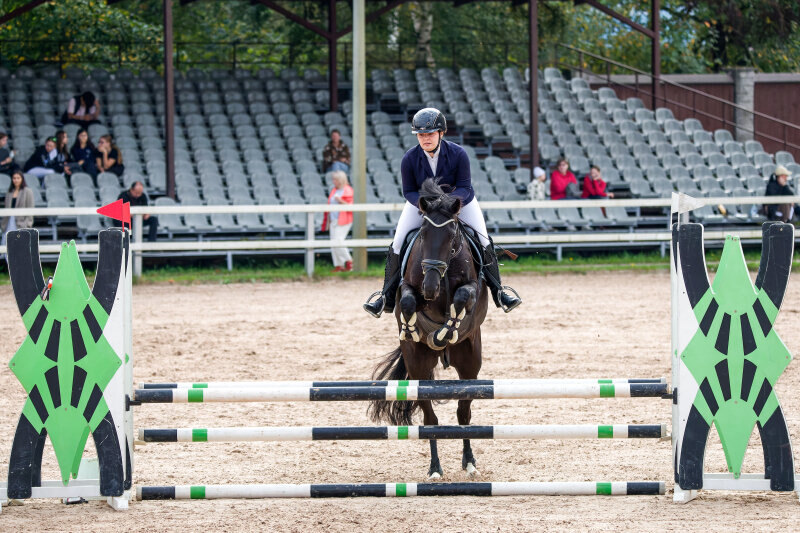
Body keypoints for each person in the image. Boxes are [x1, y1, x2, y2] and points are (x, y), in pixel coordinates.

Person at [363, 107, 521, 317]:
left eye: (429, 134)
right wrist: (425, 204)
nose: (425, 139)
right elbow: (408, 191)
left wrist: (447, 202)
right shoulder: (409, 158)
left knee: (483, 239)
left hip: (459, 203)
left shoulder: (458, 154)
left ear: (441, 133)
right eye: (421, 135)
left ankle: (499, 292)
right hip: (423, 205)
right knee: (398, 242)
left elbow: (464, 186)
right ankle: (386, 296)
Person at [321, 170, 354, 272]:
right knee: (333, 242)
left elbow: (351, 206)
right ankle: (339, 265)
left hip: (344, 219)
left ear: (341, 180)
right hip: (333, 219)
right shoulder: (334, 190)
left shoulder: (348, 190)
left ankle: (349, 261)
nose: (333, 181)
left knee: (338, 240)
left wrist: (340, 201)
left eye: (335, 179)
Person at [1, 170, 36, 253]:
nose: (16, 180)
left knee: (20, 246)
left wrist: (27, 224)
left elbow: (30, 208)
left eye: (18, 178)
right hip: (9, 221)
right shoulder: (9, 192)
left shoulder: (27, 191)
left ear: (22, 179)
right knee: (7, 243)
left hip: (21, 222)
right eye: (14, 178)